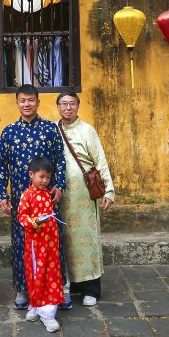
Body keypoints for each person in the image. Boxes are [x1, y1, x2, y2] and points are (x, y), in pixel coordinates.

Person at [0, 84, 68, 310]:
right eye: (22, 100)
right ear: (17, 103)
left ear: (38, 102)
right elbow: (1, 165)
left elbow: (60, 160)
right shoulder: (9, 132)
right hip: (20, 199)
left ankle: (57, 289)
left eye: (31, 100)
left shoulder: (49, 129)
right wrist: (2, 194)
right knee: (22, 244)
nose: (27, 104)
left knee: (52, 243)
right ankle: (24, 289)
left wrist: (60, 186)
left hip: (47, 199)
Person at [55, 91, 114, 306]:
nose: (68, 108)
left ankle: (91, 289)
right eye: (63, 104)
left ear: (78, 106)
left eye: (72, 104)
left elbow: (100, 160)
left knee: (86, 240)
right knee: (66, 240)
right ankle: (71, 284)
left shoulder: (87, 130)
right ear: (58, 107)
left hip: (85, 195)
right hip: (61, 195)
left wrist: (109, 191)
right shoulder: (53, 129)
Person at [18, 157, 64, 333]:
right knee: (36, 273)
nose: (45, 181)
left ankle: (48, 312)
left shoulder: (48, 194)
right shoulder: (26, 196)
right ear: (31, 175)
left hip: (51, 243)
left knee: (50, 274)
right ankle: (36, 304)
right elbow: (22, 218)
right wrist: (35, 221)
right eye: (41, 176)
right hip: (35, 245)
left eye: (48, 177)